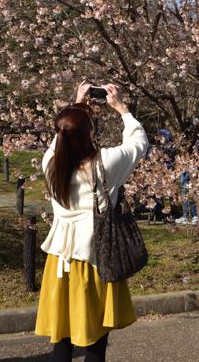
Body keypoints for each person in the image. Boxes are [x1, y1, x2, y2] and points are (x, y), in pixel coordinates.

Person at [35, 82, 149, 361]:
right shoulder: (104, 164)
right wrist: (121, 108)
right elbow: (138, 144)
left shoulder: (49, 162)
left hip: (59, 260)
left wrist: (78, 103)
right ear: (90, 134)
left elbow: (60, 137)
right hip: (96, 257)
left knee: (61, 338)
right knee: (95, 341)